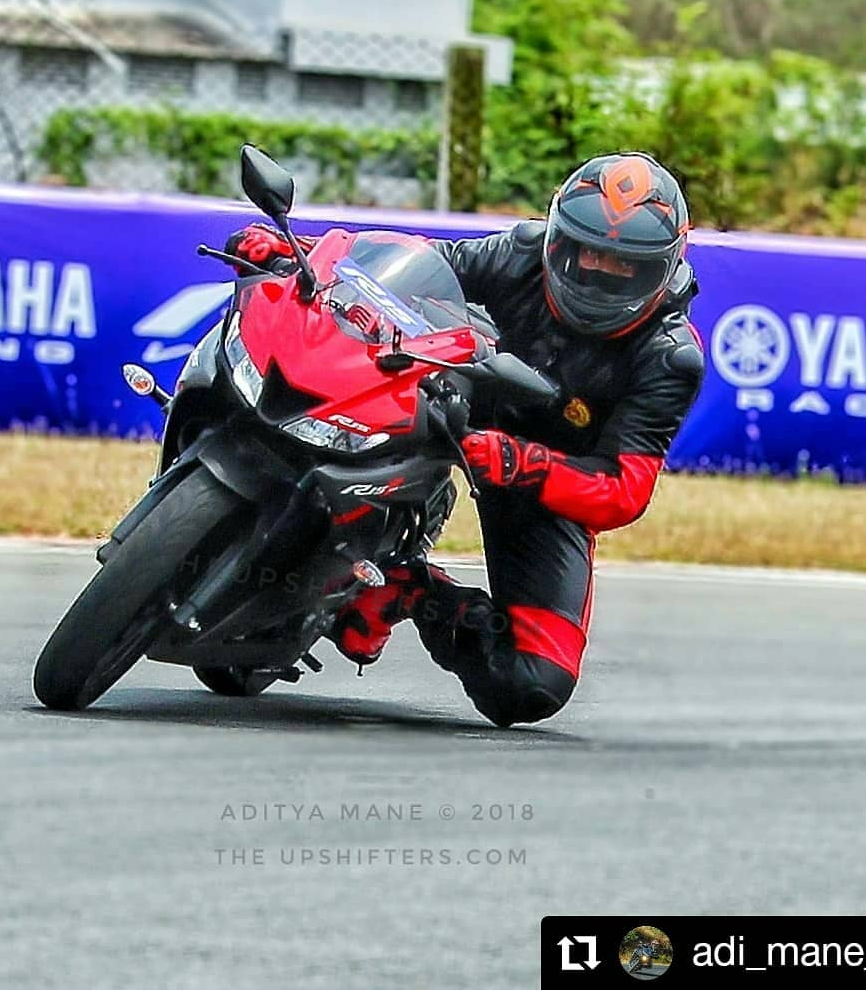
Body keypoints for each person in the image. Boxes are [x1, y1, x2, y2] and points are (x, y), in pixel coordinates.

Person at [224, 152, 704, 727]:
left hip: (544, 477)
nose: (598, 271)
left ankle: (410, 589)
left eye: (623, 266)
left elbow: (624, 490)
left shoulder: (669, 357)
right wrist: (297, 251)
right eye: (586, 252)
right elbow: (415, 268)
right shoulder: (522, 253)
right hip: (452, 398)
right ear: (557, 240)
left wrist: (519, 463)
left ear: (662, 265)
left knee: (534, 683)